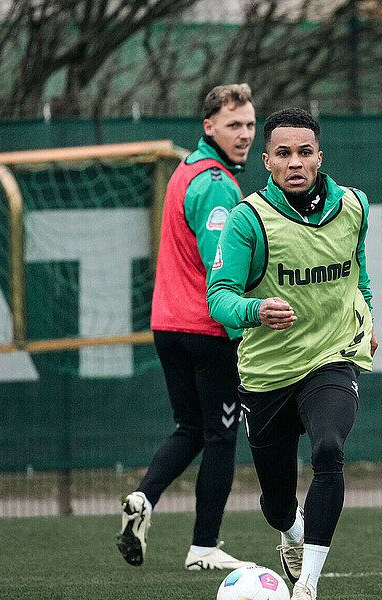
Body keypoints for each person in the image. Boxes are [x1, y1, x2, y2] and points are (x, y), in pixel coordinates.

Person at [206, 108, 378, 600]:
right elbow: (219, 296)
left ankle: (306, 586)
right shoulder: (248, 219)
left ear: (319, 157)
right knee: (277, 503)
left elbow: (357, 271)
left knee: (329, 450)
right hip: (267, 373)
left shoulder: (353, 207)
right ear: (267, 161)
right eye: (284, 154)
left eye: (305, 152)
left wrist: (367, 311)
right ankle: (291, 531)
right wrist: (257, 310)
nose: (296, 162)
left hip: (332, 355)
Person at [117, 83, 257, 571]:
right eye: (233, 125)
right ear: (209, 126)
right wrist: (247, 319)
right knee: (220, 437)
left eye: (249, 125)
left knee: (191, 428)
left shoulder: (186, 169)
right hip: (206, 328)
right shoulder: (217, 183)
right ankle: (203, 548)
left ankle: (144, 499)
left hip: (167, 324)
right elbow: (223, 266)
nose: (244, 135)